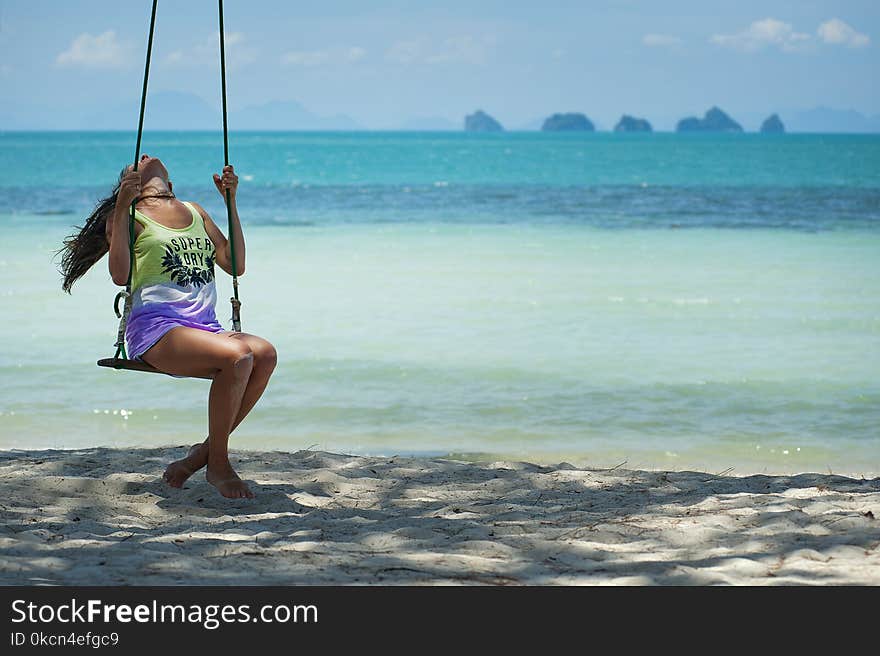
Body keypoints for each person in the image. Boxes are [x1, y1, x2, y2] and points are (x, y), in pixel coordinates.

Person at [60, 154, 276, 499]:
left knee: (264, 354)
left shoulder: (194, 211)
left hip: (206, 329)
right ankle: (218, 465)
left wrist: (230, 202)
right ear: (131, 183)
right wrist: (120, 208)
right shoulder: (131, 216)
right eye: (137, 161)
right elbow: (119, 275)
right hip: (157, 331)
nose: (146, 157)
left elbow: (235, 265)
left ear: (169, 184)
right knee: (239, 356)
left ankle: (197, 458)